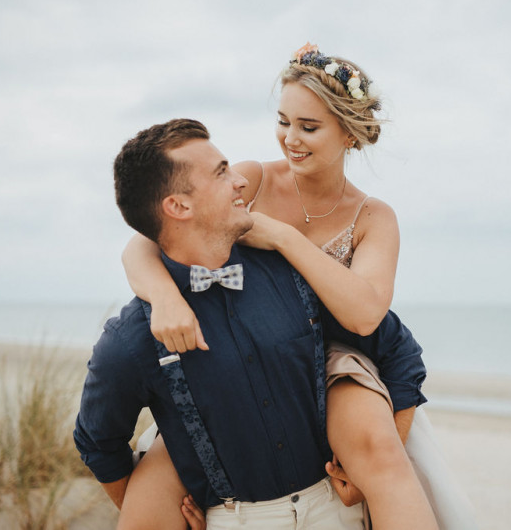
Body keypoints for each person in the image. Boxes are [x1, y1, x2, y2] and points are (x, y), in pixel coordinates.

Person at [122, 44, 476, 530]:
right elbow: (144, 243)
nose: (291, 138)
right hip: (240, 342)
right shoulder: (252, 179)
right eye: (284, 121)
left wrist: (284, 237)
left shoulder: (373, 217)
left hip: (336, 356)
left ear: (350, 135)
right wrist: (163, 298)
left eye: (309, 127)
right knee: (159, 470)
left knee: (379, 449)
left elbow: (365, 314)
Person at [73, 118, 432, 530]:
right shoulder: (134, 337)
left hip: (337, 510)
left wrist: (385, 456)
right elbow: (98, 442)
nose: (241, 180)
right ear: (179, 207)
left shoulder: (294, 278)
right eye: (222, 172)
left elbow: (398, 351)